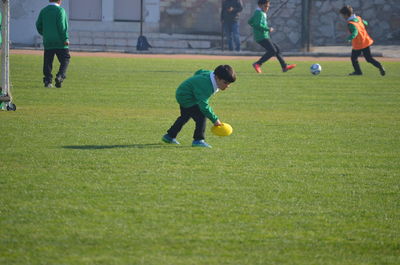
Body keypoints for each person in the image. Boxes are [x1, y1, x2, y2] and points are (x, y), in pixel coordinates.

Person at [162, 65, 236, 148]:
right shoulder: (206, 86)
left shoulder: (210, 75)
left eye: (229, 84)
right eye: (225, 82)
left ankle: (169, 136)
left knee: (185, 117)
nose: (227, 86)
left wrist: (194, 84)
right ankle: (198, 140)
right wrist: (215, 120)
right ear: (217, 77)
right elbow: (203, 105)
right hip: (187, 98)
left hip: (182, 93)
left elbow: (200, 71)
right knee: (201, 116)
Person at [248, 0, 296, 74]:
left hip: (263, 36)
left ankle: (284, 66)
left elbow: (250, 22)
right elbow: (258, 24)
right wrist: (267, 29)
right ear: (260, 5)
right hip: (262, 36)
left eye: (268, 6)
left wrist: (255, 28)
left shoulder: (259, 12)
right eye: (266, 6)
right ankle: (258, 64)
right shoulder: (259, 13)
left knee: (277, 49)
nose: (267, 8)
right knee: (272, 51)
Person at [339, 5, 385, 76]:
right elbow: (365, 22)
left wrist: (349, 39)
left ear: (346, 15)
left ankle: (358, 72)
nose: (342, 17)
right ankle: (380, 66)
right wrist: (364, 24)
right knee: (369, 58)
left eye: (343, 15)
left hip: (358, 44)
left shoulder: (351, 24)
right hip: (365, 41)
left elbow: (355, 32)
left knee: (353, 58)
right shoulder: (358, 18)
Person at [36, 0, 71, 88]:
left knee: (48, 62)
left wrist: (45, 34)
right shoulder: (60, 10)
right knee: (65, 59)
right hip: (60, 41)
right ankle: (60, 76)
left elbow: (38, 25)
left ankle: (47, 81)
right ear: (60, 0)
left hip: (48, 40)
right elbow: (62, 26)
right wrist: (65, 38)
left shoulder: (44, 10)